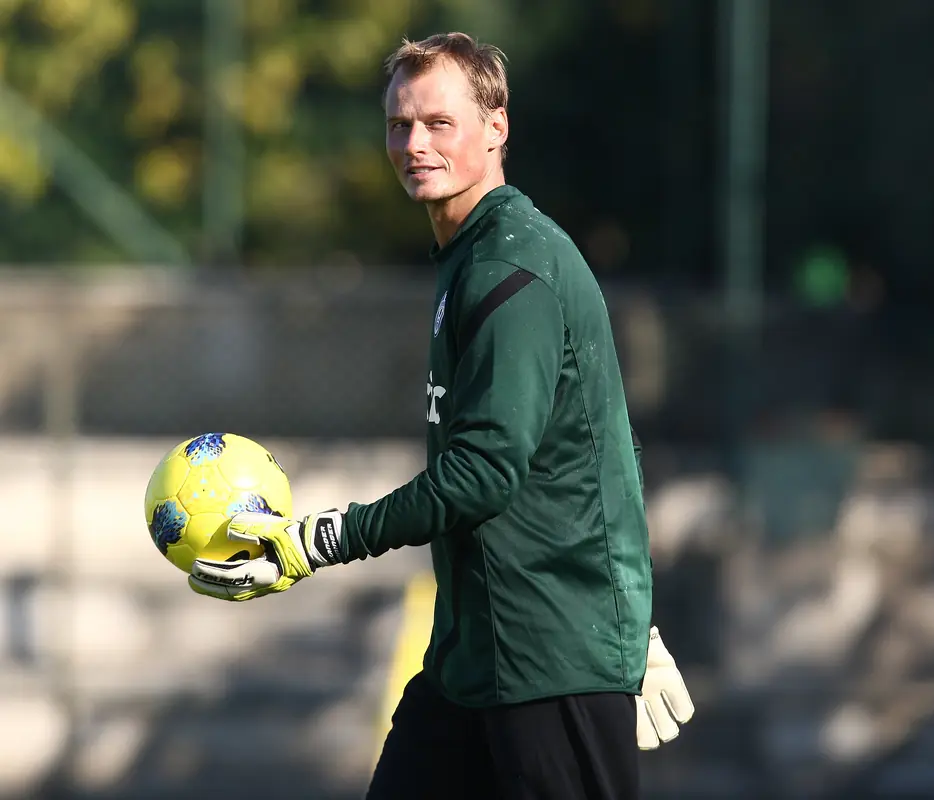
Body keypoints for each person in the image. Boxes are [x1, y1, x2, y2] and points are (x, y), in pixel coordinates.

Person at [187, 31, 694, 799]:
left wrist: (317, 540)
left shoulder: (510, 267)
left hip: (546, 659)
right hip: (475, 658)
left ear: (497, 128)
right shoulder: (470, 255)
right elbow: (590, 442)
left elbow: (483, 475)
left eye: (438, 123)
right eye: (399, 125)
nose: (414, 144)